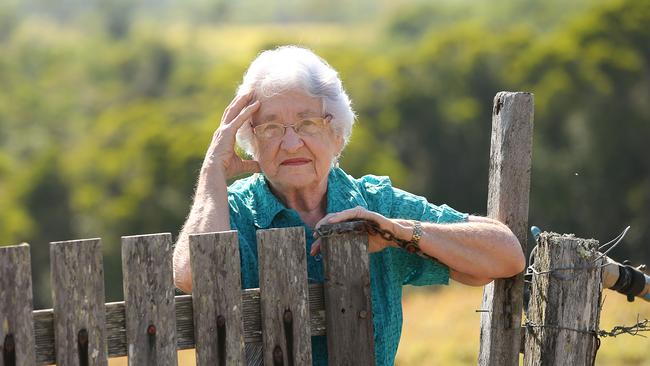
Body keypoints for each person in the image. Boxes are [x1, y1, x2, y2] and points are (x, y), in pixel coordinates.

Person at [172, 45, 525, 365]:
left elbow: (506, 256)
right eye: (271, 128)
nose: (291, 143)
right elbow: (191, 276)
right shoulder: (232, 212)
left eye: (308, 123)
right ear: (251, 142)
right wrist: (211, 172)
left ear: (337, 133)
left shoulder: (373, 204)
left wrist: (398, 233)